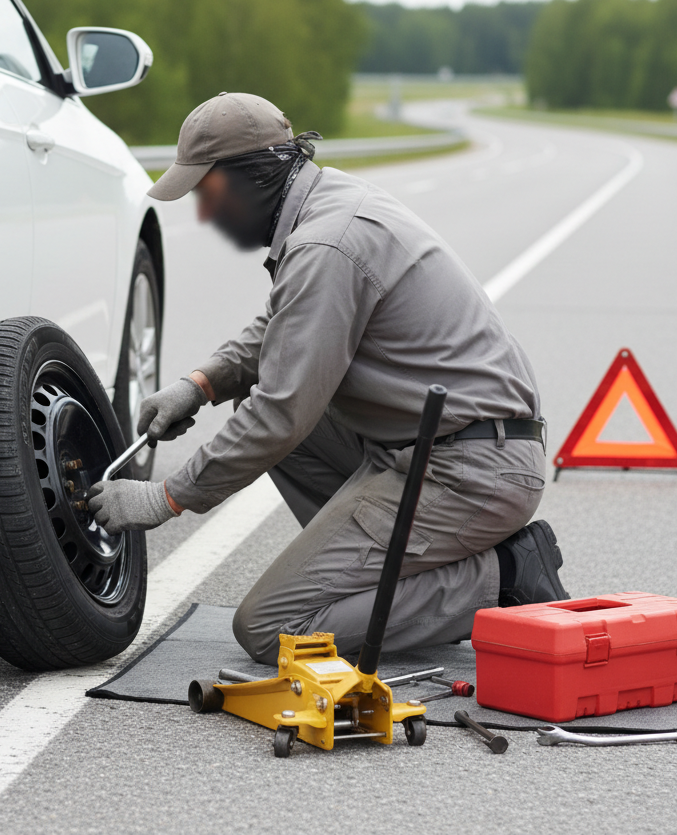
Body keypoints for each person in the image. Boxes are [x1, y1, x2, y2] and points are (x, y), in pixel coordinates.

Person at [88, 92, 569, 665]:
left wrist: (167, 496)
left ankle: (504, 574)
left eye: (209, 195)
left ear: (252, 176)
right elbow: (284, 327)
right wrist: (202, 383)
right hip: (445, 448)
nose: (205, 216)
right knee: (260, 411)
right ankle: (381, 574)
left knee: (273, 629)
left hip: (469, 472)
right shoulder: (329, 198)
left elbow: (282, 413)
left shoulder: (325, 244)